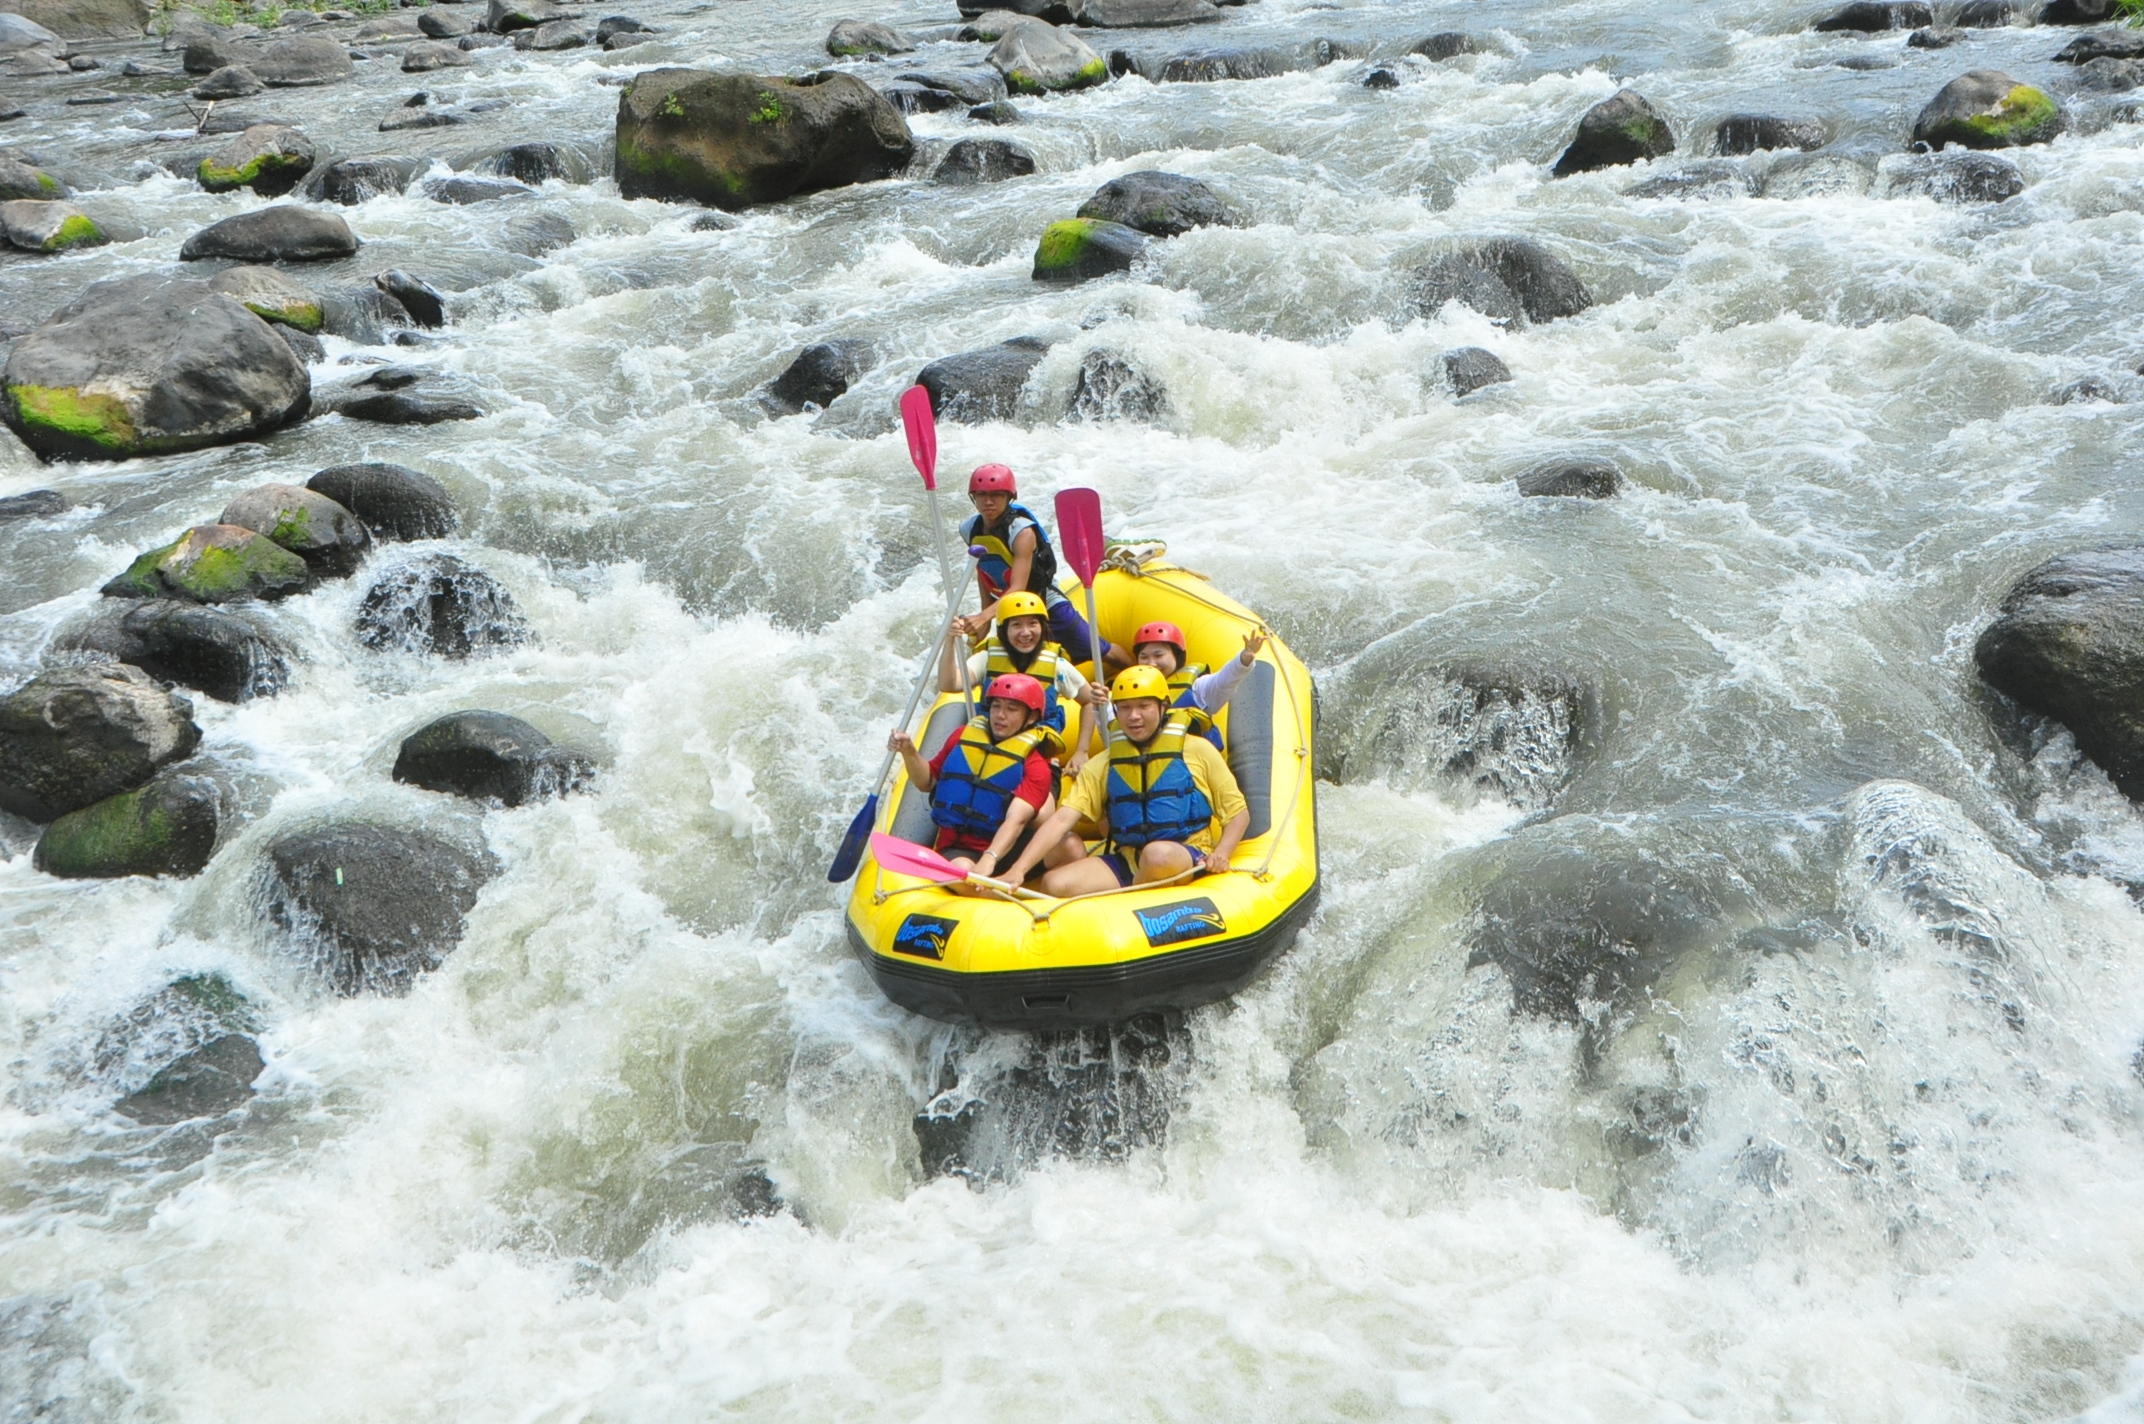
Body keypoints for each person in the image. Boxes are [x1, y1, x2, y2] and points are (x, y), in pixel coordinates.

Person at [1002, 665, 1250, 895]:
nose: (1134, 716)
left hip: (1185, 854)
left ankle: (1128, 900)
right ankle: (1132, 895)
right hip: (1129, 859)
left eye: (1144, 706)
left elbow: (1238, 813)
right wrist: (1019, 869)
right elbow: (1061, 820)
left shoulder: (1198, 750)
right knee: (1054, 884)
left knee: (1157, 855)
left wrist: (1221, 854)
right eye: (1125, 708)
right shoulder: (1104, 763)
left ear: (1163, 706)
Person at [950, 463, 1128, 673]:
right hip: (1010, 609)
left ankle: (1135, 671)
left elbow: (1018, 588)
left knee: (1098, 650)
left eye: (996, 494)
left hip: (1045, 602)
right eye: (981, 495)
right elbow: (985, 572)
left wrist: (983, 618)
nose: (988, 501)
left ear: (1009, 497)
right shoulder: (969, 529)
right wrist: (985, 617)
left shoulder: (1022, 533)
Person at [888, 674, 1058, 885]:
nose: (1000, 715)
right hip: (960, 848)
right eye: (996, 706)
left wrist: (990, 858)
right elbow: (927, 782)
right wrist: (909, 751)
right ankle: (992, 893)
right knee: (963, 870)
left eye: (1011, 709)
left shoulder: (1036, 766)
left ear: (1031, 717)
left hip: (1006, 850)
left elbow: (1018, 819)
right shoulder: (961, 737)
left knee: (1070, 846)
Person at [941, 589, 1103, 765]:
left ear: (1042, 626)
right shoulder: (988, 658)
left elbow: (1089, 701)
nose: (1025, 633)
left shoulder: (1057, 666)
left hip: (1034, 758)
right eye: (1016, 625)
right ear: (1004, 630)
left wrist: (1082, 750)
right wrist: (949, 641)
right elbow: (949, 684)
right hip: (990, 751)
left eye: (1033, 623)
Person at [1129, 620, 1269, 747]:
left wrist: (1244, 658)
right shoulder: (1128, 690)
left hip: (1191, 763)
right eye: (1144, 657)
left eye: (1158, 655)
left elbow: (1225, 680)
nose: (1151, 663)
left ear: (1177, 656)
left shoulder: (1198, 688)